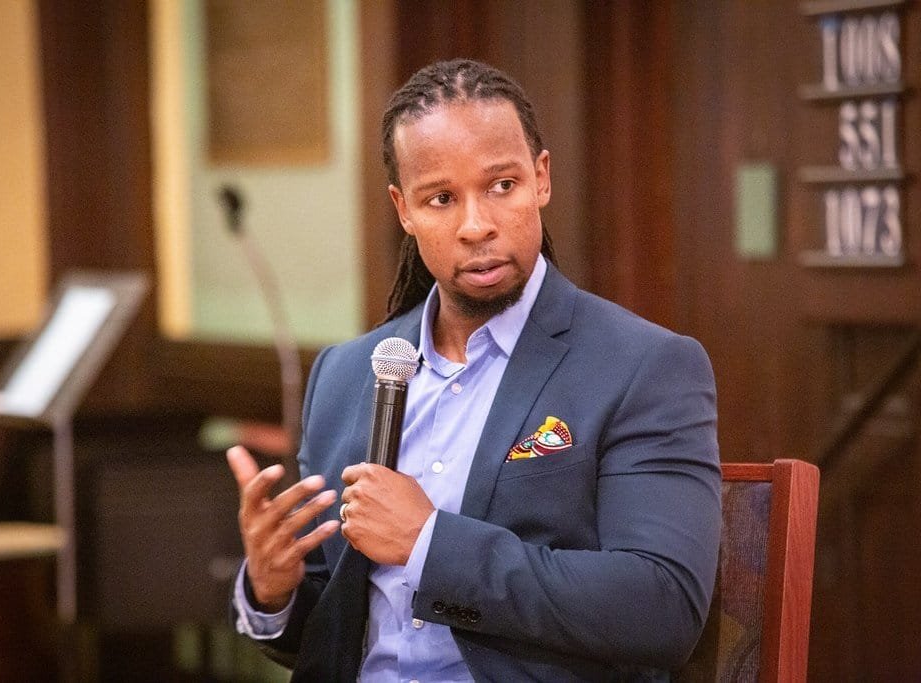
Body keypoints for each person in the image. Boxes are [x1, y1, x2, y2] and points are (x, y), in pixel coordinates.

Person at [227, 58, 721, 682]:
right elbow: (336, 622)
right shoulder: (346, 375)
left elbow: (661, 607)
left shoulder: (643, 367)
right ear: (403, 210)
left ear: (541, 178)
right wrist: (273, 590)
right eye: (441, 199)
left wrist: (429, 544)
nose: (476, 225)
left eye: (502, 185)